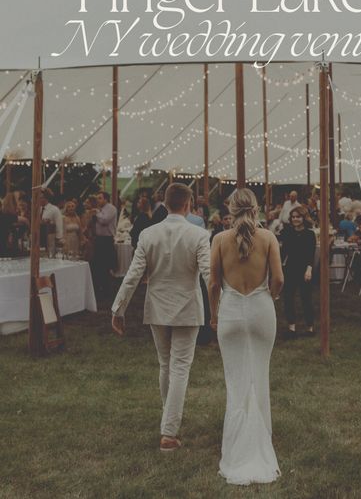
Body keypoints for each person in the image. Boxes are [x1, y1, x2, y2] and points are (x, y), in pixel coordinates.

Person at [111, 183, 210, 453]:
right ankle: (169, 431)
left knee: (166, 364)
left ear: (164, 204)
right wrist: (223, 308)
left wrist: (118, 309)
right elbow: (210, 275)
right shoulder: (200, 235)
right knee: (179, 367)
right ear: (189, 205)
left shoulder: (148, 234)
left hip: (157, 308)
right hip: (188, 308)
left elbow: (132, 275)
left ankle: (169, 420)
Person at [209, 188, 284, 486]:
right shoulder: (268, 238)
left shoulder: (218, 240)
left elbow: (214, 283)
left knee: (236, 378)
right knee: (259, 374)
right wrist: (271, 297)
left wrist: (214, 314)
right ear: (256, 209)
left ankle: (238, 442)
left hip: (230, 311)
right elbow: (278, 279)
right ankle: (261, 436)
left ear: (230, 209)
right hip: (261, 309)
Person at [280, 205, 316, 336]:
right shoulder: (288, 233)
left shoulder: (310, 234)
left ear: (303, 218)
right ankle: (291, 327)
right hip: (290, 268)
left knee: (306, 298)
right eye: (293, 217)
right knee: (288, 298)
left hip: (305, 269)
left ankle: (310, 327)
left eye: (298, 217)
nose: (295, 219)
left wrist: (309, 270)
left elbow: (311, 254)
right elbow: (283, 252)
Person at [91, 191, 117, 300]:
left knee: (105, 266)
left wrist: (96, 213)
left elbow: (104, 220)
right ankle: (98, 290)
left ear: (106, 199)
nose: (98, 200)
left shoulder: (111, 208)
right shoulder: (100, 209)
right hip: (98, 239)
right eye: (97, 198)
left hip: (106, 240)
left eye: (100, 198)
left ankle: (107, 292)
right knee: (97, 266)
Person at [39, 188, 63, 256]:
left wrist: (58, 239)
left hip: (50, 238)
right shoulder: (38, 209)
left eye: (41, 198)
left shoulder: (54, 209)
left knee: (50, 254)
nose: (39, 200)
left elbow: (59, 225)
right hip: (40, 238)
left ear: (46, 198)